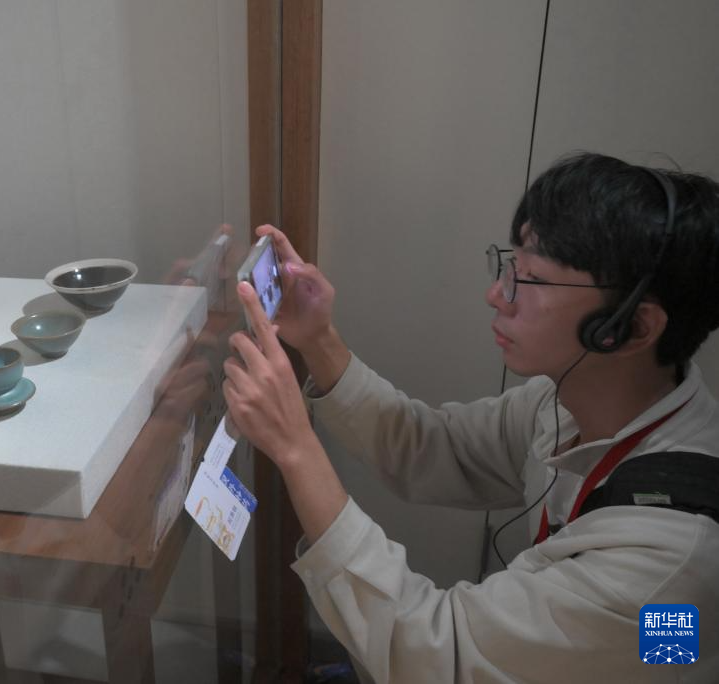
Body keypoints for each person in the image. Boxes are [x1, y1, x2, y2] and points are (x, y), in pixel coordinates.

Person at [222, 153, 719, 683]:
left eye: (531, 279)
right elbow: (434, 447)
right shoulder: (565, 402)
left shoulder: (671, 567)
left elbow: (440, 657)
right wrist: (319, 341)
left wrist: (296, 449)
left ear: (633, 327)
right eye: (509, 266)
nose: (496, 295)